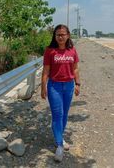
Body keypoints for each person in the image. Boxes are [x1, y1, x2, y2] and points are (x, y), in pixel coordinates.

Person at [41, 24, 80, 162]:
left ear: (68, 35)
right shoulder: (50, 51)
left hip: (69, 86)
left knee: (64, 115)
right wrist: (43, 87)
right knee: (58, 115)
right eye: (58, 34)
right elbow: (45, 71)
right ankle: (59, 145)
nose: (61, 37)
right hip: (54, 87)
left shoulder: (72, 50)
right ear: (55, 36)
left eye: (63, 34)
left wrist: (78, 84)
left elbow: (75, 69)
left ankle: (60, 137)